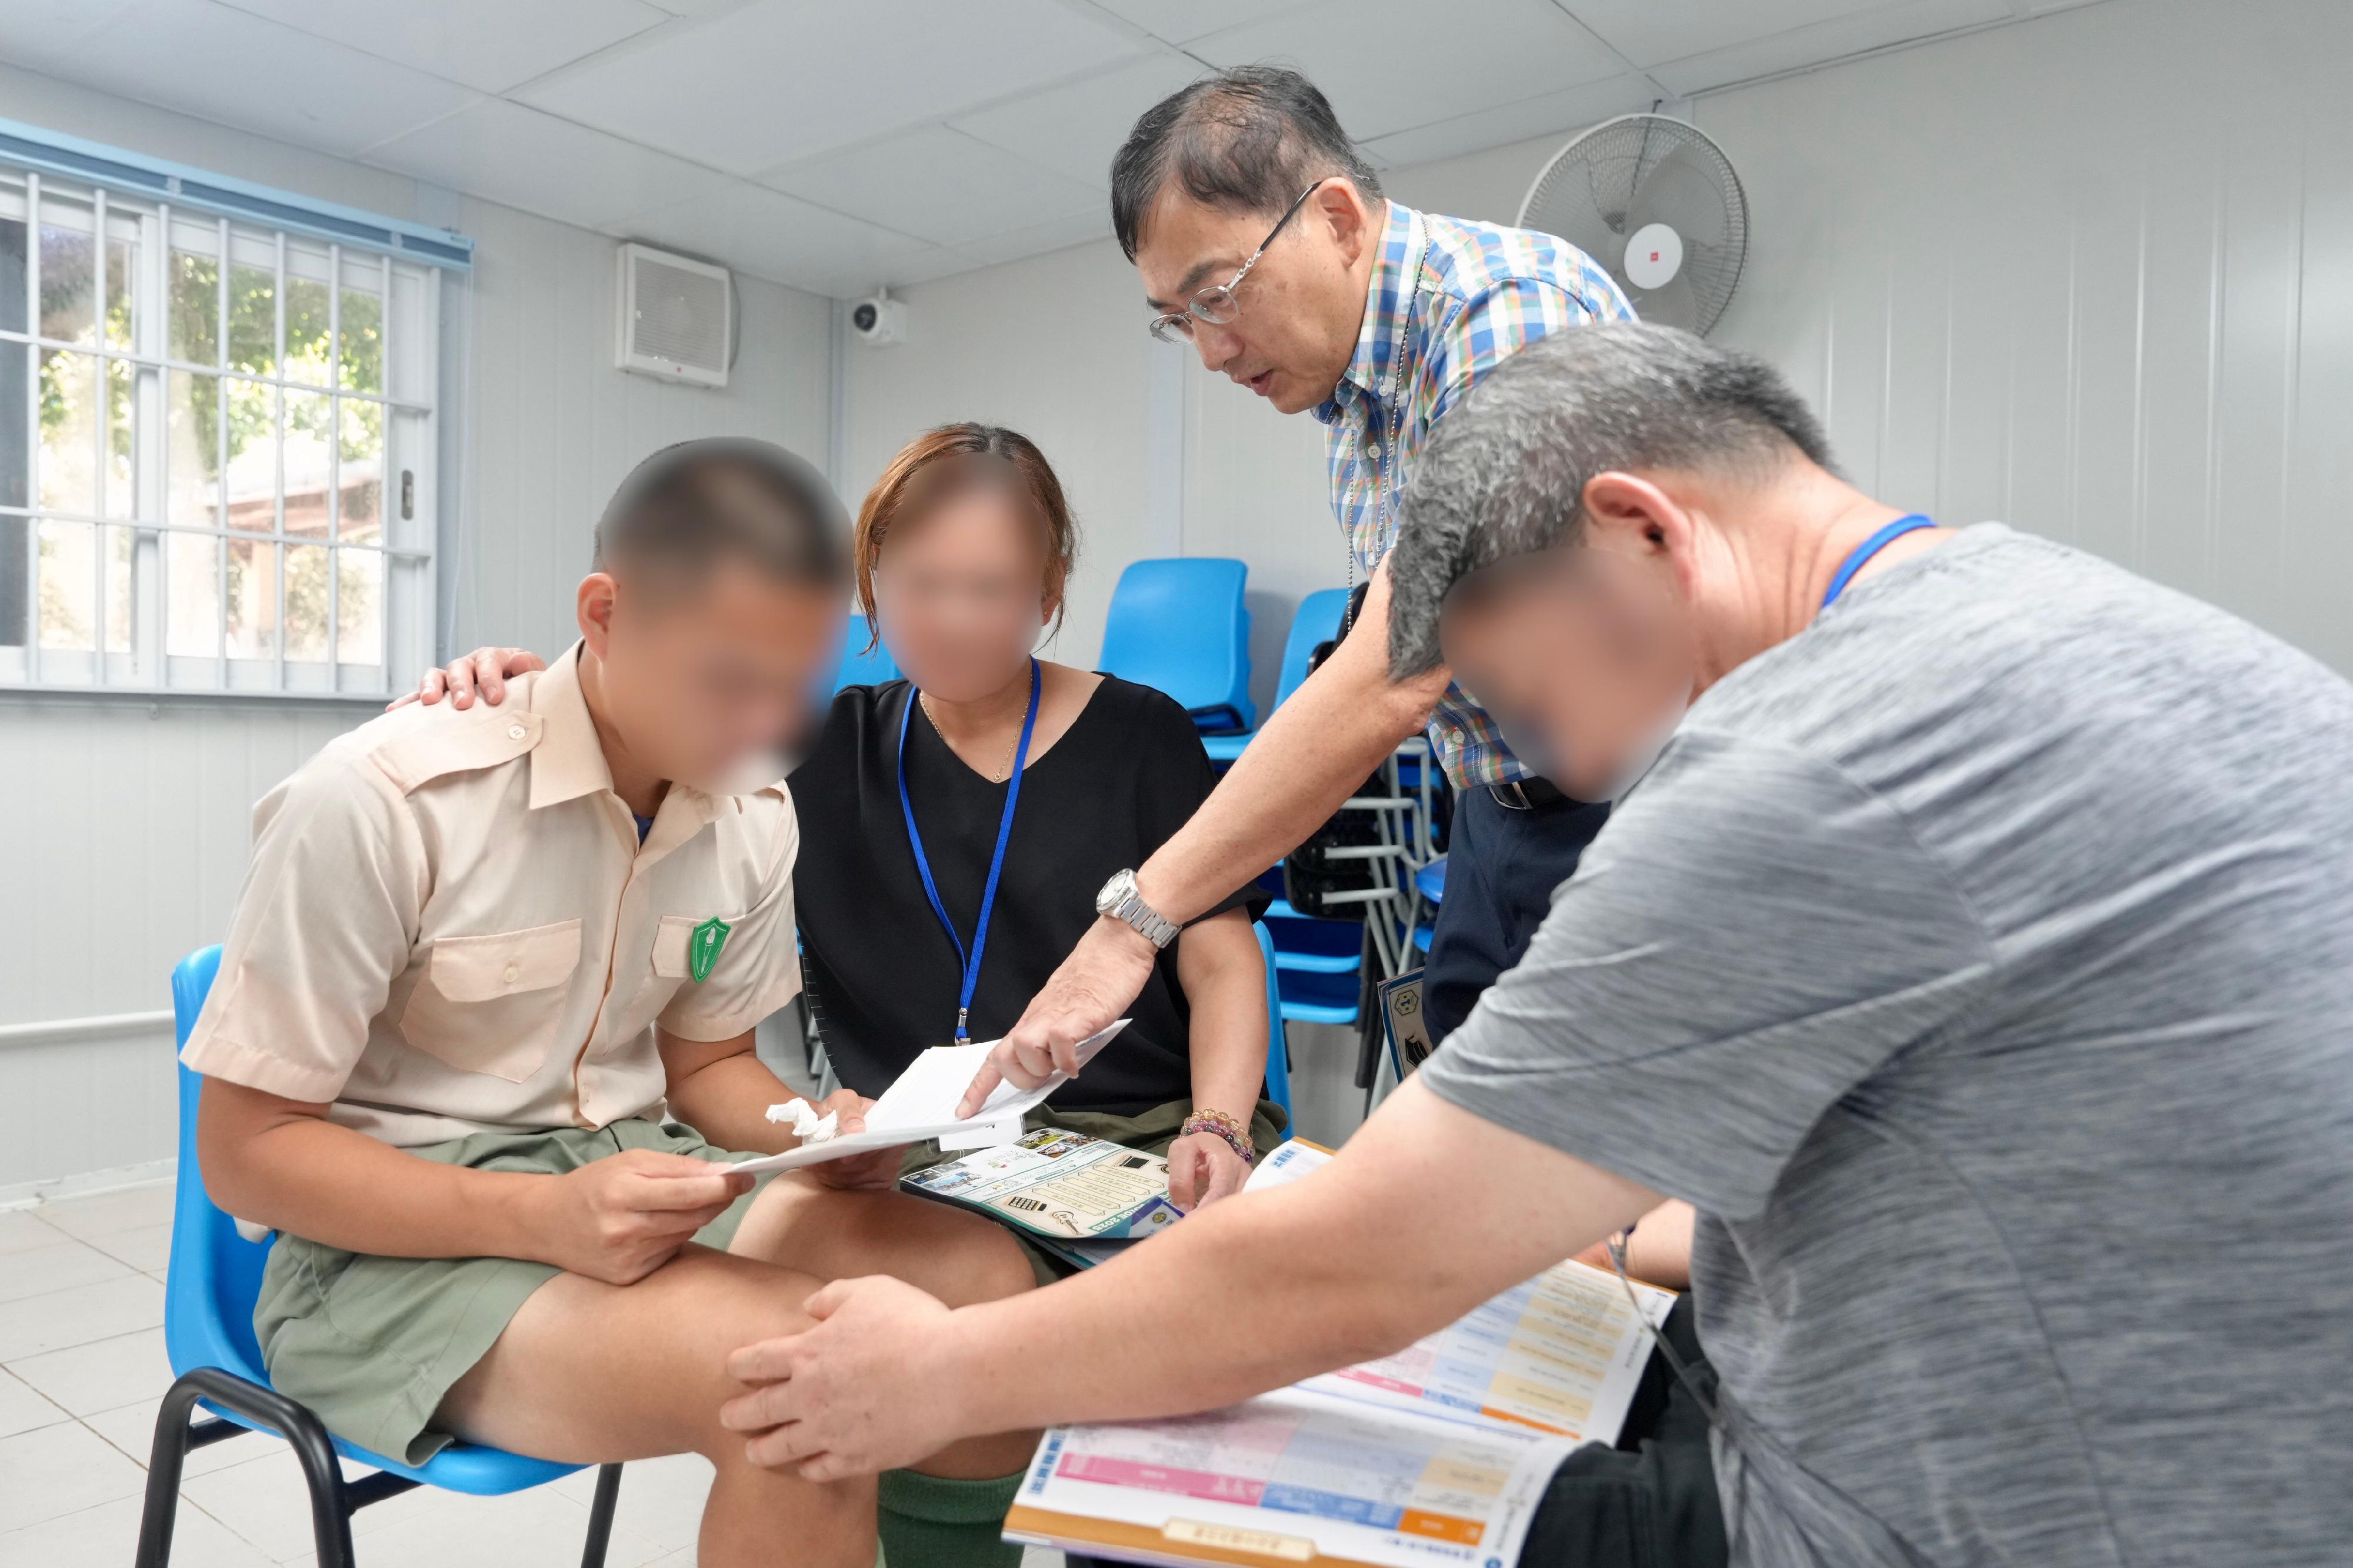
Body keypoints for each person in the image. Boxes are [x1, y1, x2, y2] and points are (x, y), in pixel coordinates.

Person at [709, 326, 2353, 1568]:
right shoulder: (2037, 619)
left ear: (1644, 529)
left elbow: (1365, 1261)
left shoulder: (1812, 759)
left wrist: (935, 1380)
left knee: (1188, 1466)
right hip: (2138, 1448)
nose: (1560, 768)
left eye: (1534, 702)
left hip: (1988, 1514)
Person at [181, 439, 1044, 1568]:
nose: (767, 726)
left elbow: (710, 1067)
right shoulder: (385, 799)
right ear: (605, 612)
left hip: (645, 1184)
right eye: (734, 680)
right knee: (806, 1383)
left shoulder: (751, 811)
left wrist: (817, 1133)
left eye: (801, 688)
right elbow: (245, 1156)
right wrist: (538, 1219)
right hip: (388, 1254)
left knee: (985, 1289)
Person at [974, 65, 1642, 1122]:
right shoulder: (1352, 415)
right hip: (1499, 810)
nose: (1207, 350)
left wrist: (1134, 921)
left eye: (1219, 294)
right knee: (1476, 1154)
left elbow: (1394, 673)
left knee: (1634, 1197)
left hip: (1646, 811)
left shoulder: (1506, 318)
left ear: (1333, 218)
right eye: (1175, 318)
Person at [398, 423, 1283, 1212]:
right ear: (871, 582)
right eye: (921, 584)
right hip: (912, 1153)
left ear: (1049, 592)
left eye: (992, 587)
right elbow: (643, 725)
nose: (954, 619)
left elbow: (1220, 954)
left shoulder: (1142, 734)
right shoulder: (815, 746)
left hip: (1139, 1134)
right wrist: (520, 689)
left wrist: (1220, 1123)